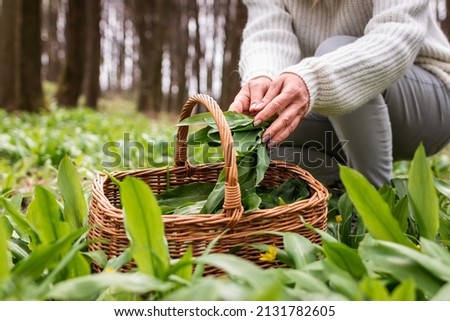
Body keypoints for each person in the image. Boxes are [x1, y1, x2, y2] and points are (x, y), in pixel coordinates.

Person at [229, 0, 450, 187]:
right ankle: (340, 191)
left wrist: (315, 78)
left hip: (426, 104)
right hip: (335, 113)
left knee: (334, 50)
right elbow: (267, 34)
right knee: (263, 138)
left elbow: (398, 34)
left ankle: (374, 208)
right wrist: (263, 79)